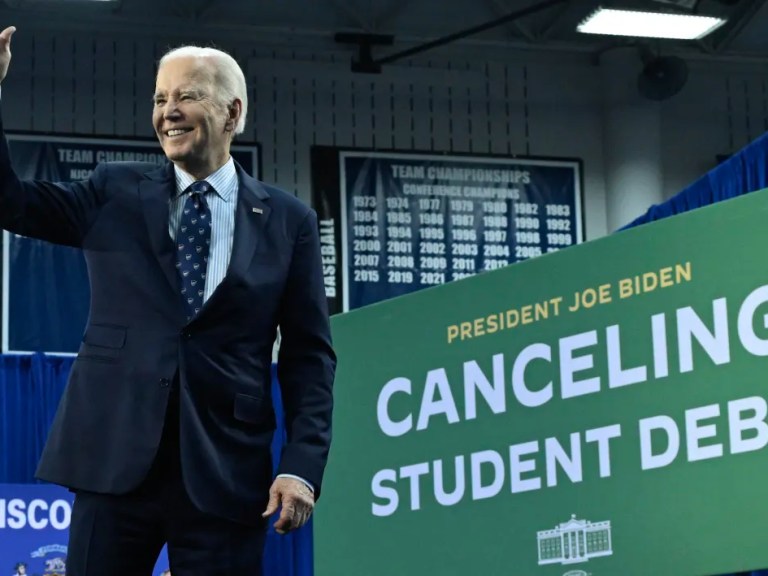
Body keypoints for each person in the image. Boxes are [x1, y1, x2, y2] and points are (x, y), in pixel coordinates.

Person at [0, 26, 335, 575]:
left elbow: (309, 357)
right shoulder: (113, 192)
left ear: (232, 112)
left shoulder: (289, 221)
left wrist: (301, 466)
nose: (168, 111)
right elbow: (9, 202)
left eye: (186, 96)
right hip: (113, 461)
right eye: (159, 99)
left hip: (225, 473)